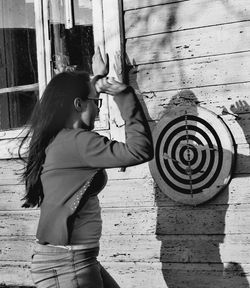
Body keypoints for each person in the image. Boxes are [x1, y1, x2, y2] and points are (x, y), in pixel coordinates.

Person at [18, 48, 153, 288]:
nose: (99, 108)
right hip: (67, 264)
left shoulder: (64, 139)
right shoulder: (78, 142)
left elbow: (79, 95)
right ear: (78, 104)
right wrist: (124, 95)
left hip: (77, 259)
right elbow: (139, 150)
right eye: (96, 102)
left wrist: (95, 80)